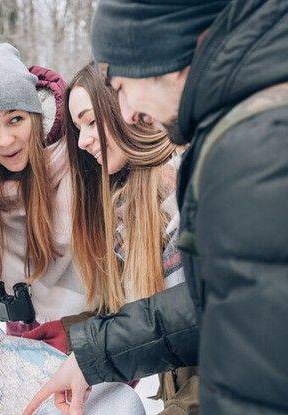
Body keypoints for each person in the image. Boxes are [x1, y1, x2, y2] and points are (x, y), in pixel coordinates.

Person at [26, 1, 288, 414]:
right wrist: (92, 348)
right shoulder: (264, 130)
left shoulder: (272, 146)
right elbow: (225, 298)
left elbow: (279, 369)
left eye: (120, 87)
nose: (129, 113)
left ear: (165, 53)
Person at [65, 63, 197, 413]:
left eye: (91, 121)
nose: (82, 140)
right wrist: (68, 335)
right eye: (78, 127)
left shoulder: (178, 194)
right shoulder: (127, 205)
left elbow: (221, 329)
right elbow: (147, 318)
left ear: (125, 109)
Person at [0, 39, 88, 351]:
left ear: (36, 115)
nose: (4, 140)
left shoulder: (81, 160)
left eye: (16, 119)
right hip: (23, 336)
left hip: (85, 333)